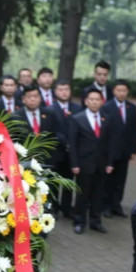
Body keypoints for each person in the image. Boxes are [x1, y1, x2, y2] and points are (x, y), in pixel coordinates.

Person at [68, 89, 116, 234]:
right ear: (86, 101)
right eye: (92, 99)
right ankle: (79, 221)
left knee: (98, 195)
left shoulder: (107, 118)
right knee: (82, 195)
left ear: (101, 102)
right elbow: (73, 144)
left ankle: (96, 221)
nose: (94, 102)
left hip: (101, 164)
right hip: (84, 164)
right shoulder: (77, 118)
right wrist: (74, 164)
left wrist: (110, 163)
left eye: (97, 99)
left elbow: (110, 143)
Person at [101, 79, 136, 218]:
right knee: (108, 179)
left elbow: (134, 130)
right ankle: (105, 206)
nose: (121, 93)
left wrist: (133, 150)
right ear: (114, 91)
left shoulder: (131, 107)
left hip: (125, 150)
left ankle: (116, 205)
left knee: (121, 179)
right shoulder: (106, 107)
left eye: (124, 90)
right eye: (119, 90)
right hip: (110, 151)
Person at [47, 79, 82, 218]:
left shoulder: (77, 108)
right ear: (55, 92)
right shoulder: (49, 109)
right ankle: (54, 207)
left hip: (72, 154)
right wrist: (65, 142)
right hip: (57, 152)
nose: (64, 92)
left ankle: (67, 208)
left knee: (69, 181)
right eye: (61, 90)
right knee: (54, 181)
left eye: (66, 89)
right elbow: (51, 131)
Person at [11, 84, 63, 166]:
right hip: (25, 160)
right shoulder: (15, 116)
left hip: (48, 159)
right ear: (23, 99)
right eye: (29, 97)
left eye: (35, 96)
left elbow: (55, 135)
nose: (32, 99)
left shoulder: (49, 114)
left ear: (40, 98)